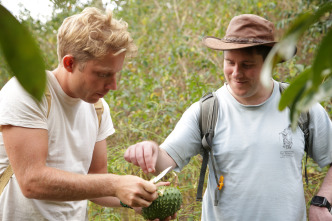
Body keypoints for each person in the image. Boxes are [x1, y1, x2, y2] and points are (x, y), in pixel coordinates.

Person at [124, 14, 332, 220]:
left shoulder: (300, 106)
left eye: (247, 65)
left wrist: (323, 200)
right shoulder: (207, 110)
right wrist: (150, 149)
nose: (236, 72)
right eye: (230, 62)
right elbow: (165, 160)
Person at [0, 7, 170, 221]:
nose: (113, 85)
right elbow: (32, 181)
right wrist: (116, 184)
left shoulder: (98, 108)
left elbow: (95, 179)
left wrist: (137, 199)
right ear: (69, 63)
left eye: (116, 74)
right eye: (103, 74)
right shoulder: (29, 92)